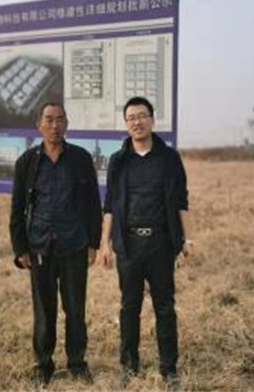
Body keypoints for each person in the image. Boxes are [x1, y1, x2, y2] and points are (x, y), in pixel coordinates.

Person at [100, 96, 193, 390]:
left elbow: (181, 201)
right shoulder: (118, 161)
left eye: (141, 116)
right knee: (129, 307)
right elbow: (109, 205)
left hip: (161, 243)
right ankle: (129, 366)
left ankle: (169, 369)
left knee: (165, 307)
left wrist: (187, 238)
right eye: (131, 118)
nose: (136, 122)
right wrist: (105, 244)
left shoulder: (169, 158)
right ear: (126, 124)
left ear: (152, 119)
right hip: (128, 245)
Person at [10, 102, 102, 387]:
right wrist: (20, 248)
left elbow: (93, 203)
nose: (54, 125)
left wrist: (93, 243)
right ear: (38, 124)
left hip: (74, 244)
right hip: (40, 245)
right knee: (43, 310)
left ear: (67, 124)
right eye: (49, 119)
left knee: (75, 309)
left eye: (60, 119)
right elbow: (17, 208)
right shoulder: (27, 162)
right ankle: (43, 365)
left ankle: (77, 363)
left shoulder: (80, 158)